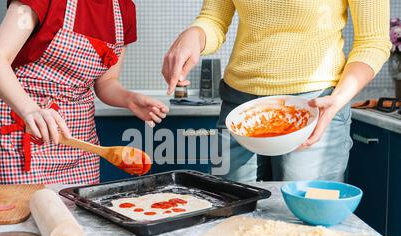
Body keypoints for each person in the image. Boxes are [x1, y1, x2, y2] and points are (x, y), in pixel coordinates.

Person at [162, 0, 391, 183]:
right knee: (231, 216)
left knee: (303, 222)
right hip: (240, 106)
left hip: (313, 108)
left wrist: (339, 99)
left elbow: (372, 42)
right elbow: (214, 18)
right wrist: (196, 34)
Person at [0, 0, 168, 184]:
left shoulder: (124, 9)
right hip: (23, 138)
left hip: (81, 144)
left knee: (79, 213)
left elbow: (107, 82)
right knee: (26, 212)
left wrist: (129, 99)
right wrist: (30, 110)